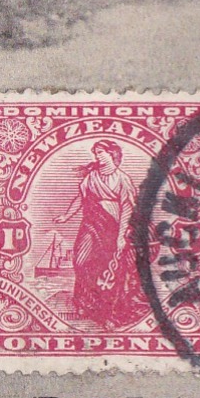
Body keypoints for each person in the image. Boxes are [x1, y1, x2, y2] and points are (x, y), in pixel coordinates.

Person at [55, 140, 147, 327]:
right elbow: (80, 199)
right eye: (96, 153)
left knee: (109, 267)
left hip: (113, 228)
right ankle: (85, 301)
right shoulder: (91, 177)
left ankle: (106, 311)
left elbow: (127, 209)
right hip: (90, 224)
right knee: (80, 260)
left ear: (112, 154)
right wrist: (66, 216)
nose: (97, 157)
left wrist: (121, 236)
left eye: (100, 152)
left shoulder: (123, 179)